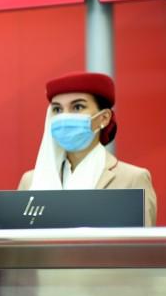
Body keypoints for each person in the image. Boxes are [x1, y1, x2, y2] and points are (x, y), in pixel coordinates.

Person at [18, 71, 157, 226]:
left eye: (77, 107)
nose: (64, 117)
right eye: (57, 109)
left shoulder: (133, 180)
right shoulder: (30, 181)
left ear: (104, 118)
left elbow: (141, 248)